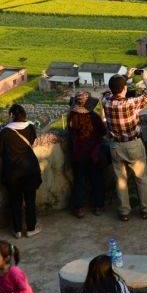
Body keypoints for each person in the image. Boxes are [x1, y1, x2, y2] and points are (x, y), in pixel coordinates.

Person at [101, 68, 147, 222]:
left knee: (121, 180)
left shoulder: (106, 101)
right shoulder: (130, 103)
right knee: (141, 178)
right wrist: (145, 79)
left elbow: (107, 92)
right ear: (125, 88)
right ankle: (146, 208)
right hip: (133, 145)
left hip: (115, 146)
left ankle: (124, 211)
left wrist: (125, 77)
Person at [0, 104, 42, 238]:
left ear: (11, 116)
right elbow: (32, 141)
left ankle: (17, 230)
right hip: (30, 168)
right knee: (30, 200)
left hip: (12, 171)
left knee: (15, 201)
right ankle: (31, 228)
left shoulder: (5, 132)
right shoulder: (30, 127)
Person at [66, 90, 107, 218]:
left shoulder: (72, 117)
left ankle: (79, 208)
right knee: (97, 179)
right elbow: (103, 131)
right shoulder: (94, 117)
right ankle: (98, 206)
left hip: (77, 154)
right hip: (93, 153)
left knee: (79, 181)